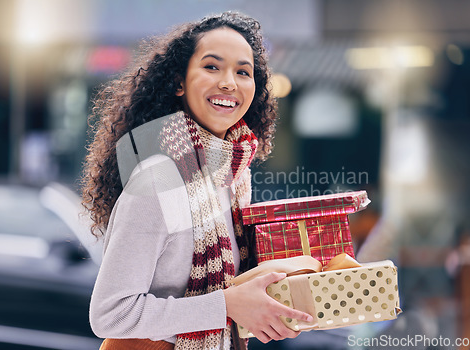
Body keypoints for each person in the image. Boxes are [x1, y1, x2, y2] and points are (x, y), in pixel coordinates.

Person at [81, 11, 313, 350]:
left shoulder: (234, 177)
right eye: (212, 66)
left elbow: (230, 290)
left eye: (243, 72)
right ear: (179, 81)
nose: (229, 82)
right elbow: (110, 314)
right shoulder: (158, 180)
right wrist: (227, 306)